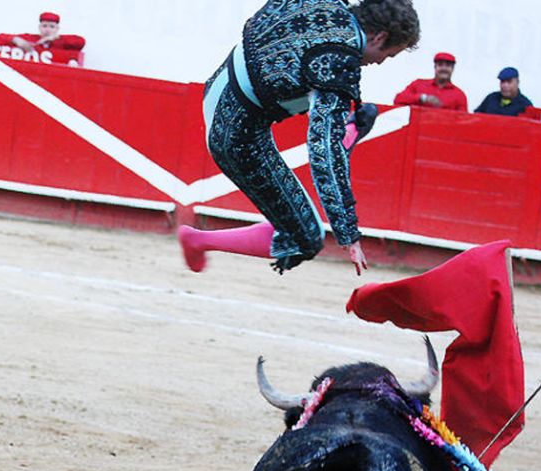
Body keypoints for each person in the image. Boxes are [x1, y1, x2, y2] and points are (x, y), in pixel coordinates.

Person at [177, 0, 420, 276]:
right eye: (387, 56)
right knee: (305, 238)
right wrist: (348, 232)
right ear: (379, 37)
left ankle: (347, 133)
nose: (377, 63)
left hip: (218, 86)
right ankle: (198, 239)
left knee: (316, 102)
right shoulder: (341, 61)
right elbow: (324, 152)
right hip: (235, 136)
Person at [0, 12, 86, 66]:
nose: (47, 30)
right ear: (39, 27)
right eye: (44, 26)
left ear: (57, 29)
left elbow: (80, 42)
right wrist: (16, 40)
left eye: (52, 27)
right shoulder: (30, 38)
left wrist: (56, 38)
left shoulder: (62, 41)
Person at [393, 52, 467, 111]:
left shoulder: (459, 95)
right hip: (417, 129)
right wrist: (423, 98)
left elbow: (463, 120)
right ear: (435, 67)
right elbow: (398, 99)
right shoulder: (418, 84)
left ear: (452, 69)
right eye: (440, 65)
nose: (444, 68)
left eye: (448, 65)